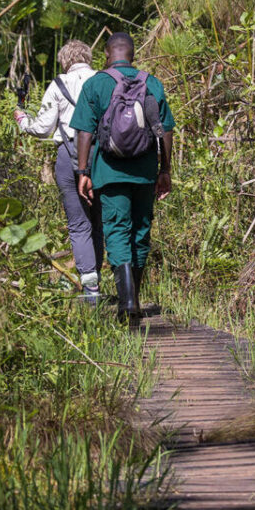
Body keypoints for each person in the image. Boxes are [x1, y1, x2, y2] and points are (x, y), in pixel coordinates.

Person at [70, 32, 174, 323]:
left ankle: (127, 303)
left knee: (116, 230)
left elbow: (84, 132)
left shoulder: (96, 84)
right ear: (133, 54)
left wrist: (82, 172)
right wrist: (165, 170)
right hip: (144, 171)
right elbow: (165, 130)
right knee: (140, 232)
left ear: (106, 54)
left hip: (109, 171)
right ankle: (135, 299)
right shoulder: (151, 82)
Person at [13, 39, 103, 304]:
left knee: (78, 224)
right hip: (101, 156)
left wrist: (22, 120)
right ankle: (97, 276)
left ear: (65, 61)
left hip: (69, 155)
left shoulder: (58, 84)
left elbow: (43, 128)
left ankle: (90, 290)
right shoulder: (104, 80)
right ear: (88, 57)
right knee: (98, 223)